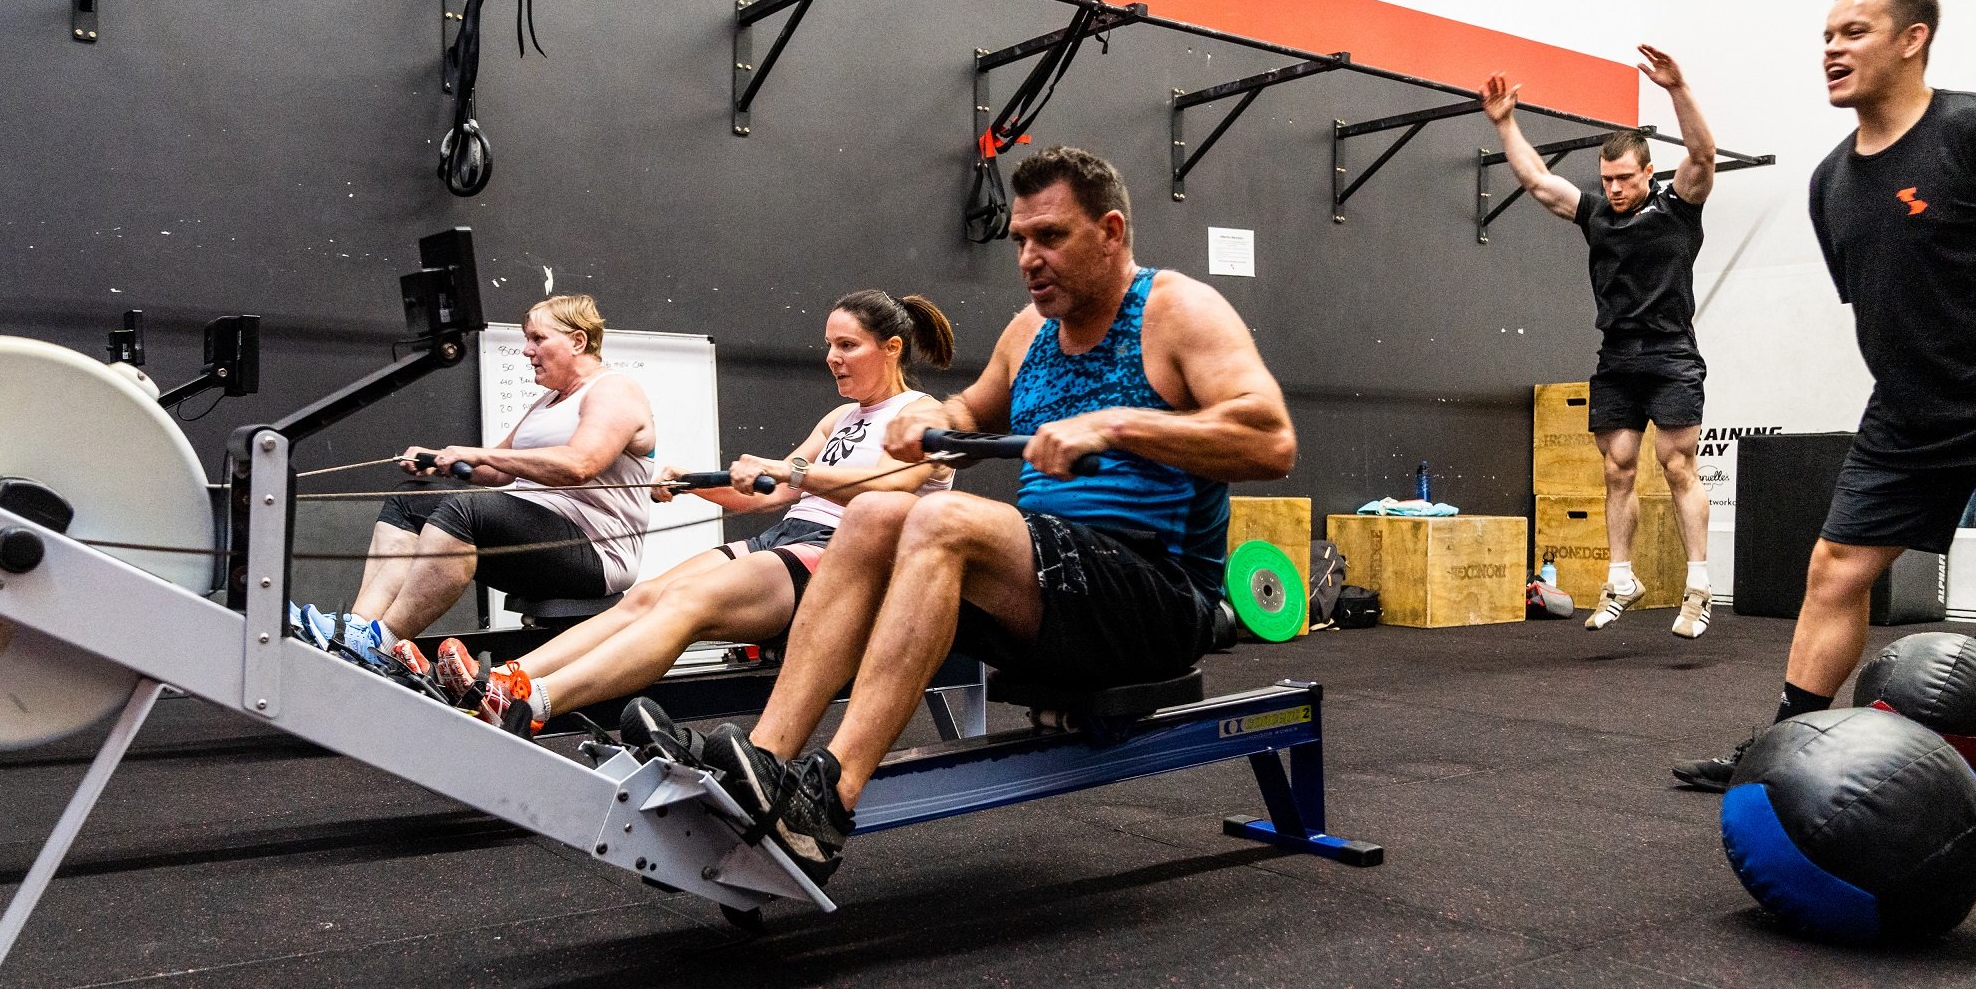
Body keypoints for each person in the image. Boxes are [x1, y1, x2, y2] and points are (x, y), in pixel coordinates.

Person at [625, 146, 1295, 880]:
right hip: (1052, 595)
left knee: (940, 523)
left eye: (1052, 237)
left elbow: (1271, 440)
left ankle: (828, 804)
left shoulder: (1175, 311)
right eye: (1020, 241)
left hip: (1157, 600)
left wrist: (1118, 425)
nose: (1030, 258)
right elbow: (968, 413)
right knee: (879, 514)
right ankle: (768, 761)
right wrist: (933, 422)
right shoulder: (1028, 334)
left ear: (1110, 232)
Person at [1674, 0, 1976, 791]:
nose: (1832, 48)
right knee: (1835, 566)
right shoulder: (1832, 181)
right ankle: (1785, 750)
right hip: (1909, 416)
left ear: (1913, 40)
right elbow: (1884, 295)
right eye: (1828, 35)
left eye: (1855, 32)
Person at [447, 291, 958, 733]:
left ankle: (533, 702)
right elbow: (769, 494)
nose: (832, 357)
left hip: (847, 557)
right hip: (788, 536)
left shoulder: (922, 414)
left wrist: (791, 473)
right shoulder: (841, 417)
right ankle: (503, 681)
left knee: (685, 604)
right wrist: (694, 485)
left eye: (847, 346)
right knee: (644, 597)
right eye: (829, 344)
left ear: (891, 348)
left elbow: (888, 484)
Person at [1482, 47, 1719, 638]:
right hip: (1616, 357)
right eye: (1606, 179)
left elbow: (1703, 154)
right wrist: (1506, 123)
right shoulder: (1596, 216)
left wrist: (1677, 86)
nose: (1612, 189)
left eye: (1623, 179)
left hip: (1670, 355)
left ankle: (1699, 586)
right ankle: (1621, 578)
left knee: (1676, 464)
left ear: (1647, 175)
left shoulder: (1677, 210)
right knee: (1617, 469)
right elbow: (1537, 182)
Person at [342, 294, 656, 660]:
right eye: (527, 339)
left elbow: (578, 464)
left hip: (598, 551)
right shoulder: (546, 403)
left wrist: (476, 453)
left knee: (467, 511)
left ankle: (383, 644)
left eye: (538, 339)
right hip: (541, 534)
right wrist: (439, 461)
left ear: (577, 341)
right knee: (409, 501)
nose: (527, 350)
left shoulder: (614, 390)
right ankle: (358, 629)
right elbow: (496, 471)